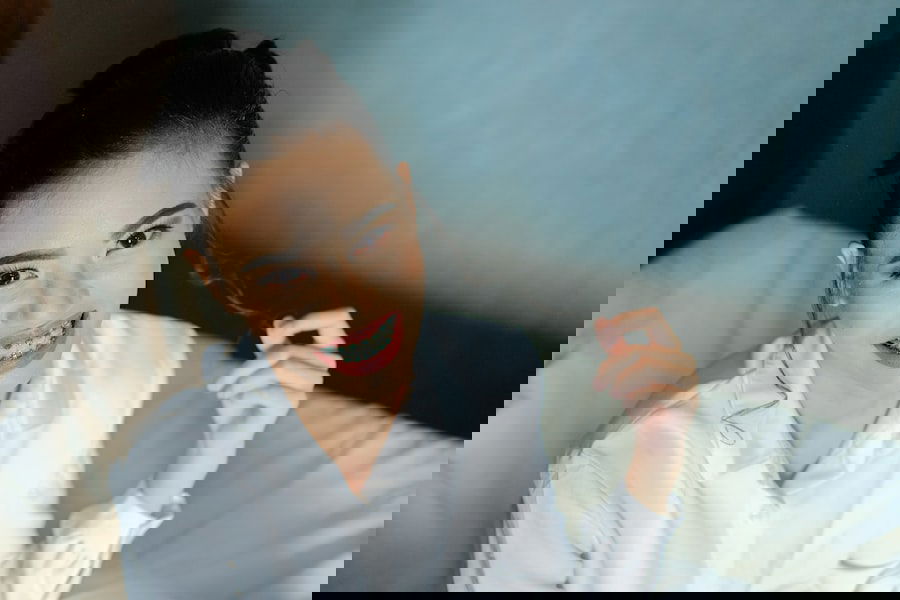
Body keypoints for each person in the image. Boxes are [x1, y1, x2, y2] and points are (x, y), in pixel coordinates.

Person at [0, 30, 460, 599]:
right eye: (16, 272)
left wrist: (220, 438)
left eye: (137, 239)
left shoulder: (133, 369)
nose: (62, 304)